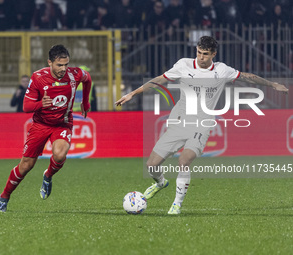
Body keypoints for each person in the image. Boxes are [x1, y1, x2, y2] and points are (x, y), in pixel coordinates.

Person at [115, 36, 288, 215]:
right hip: (179, 121)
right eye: (198, 52)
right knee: (152, 165)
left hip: (201, 124)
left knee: (184, 160)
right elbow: (159, 80)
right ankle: (160, 183)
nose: (201, 57)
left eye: (205, 54)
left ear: (213, 54)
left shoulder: (222, 70)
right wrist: (133, 94)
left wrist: (273, 84)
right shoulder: (183, 65)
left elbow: (248, 77)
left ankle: (176, 204)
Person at [0, 44, 92, 212]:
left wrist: (85, 101)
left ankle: (48, 175)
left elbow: (87, 78)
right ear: (50, 63)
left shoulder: (74, 74)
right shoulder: (38, 77)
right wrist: (41, 104)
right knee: (26, 165)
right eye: (59, 65)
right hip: (41, 124)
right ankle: (4, 196)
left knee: (60, 154)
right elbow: (26, 106)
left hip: (63, 122)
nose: (63, 69)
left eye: (66, 64)